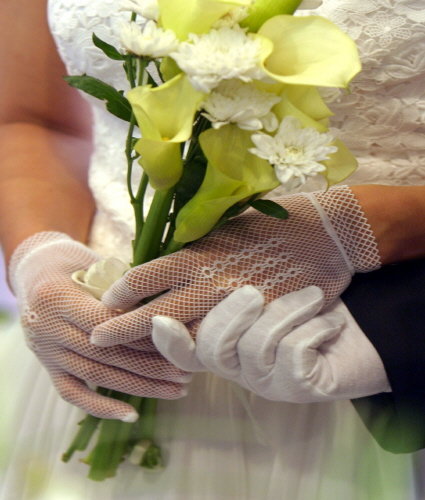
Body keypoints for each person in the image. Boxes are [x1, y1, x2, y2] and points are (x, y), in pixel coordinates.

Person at [0, 0, 424, 499]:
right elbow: (35, 120)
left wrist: (369, 227)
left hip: (353, 359)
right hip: (97, 341)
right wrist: (40, 253)